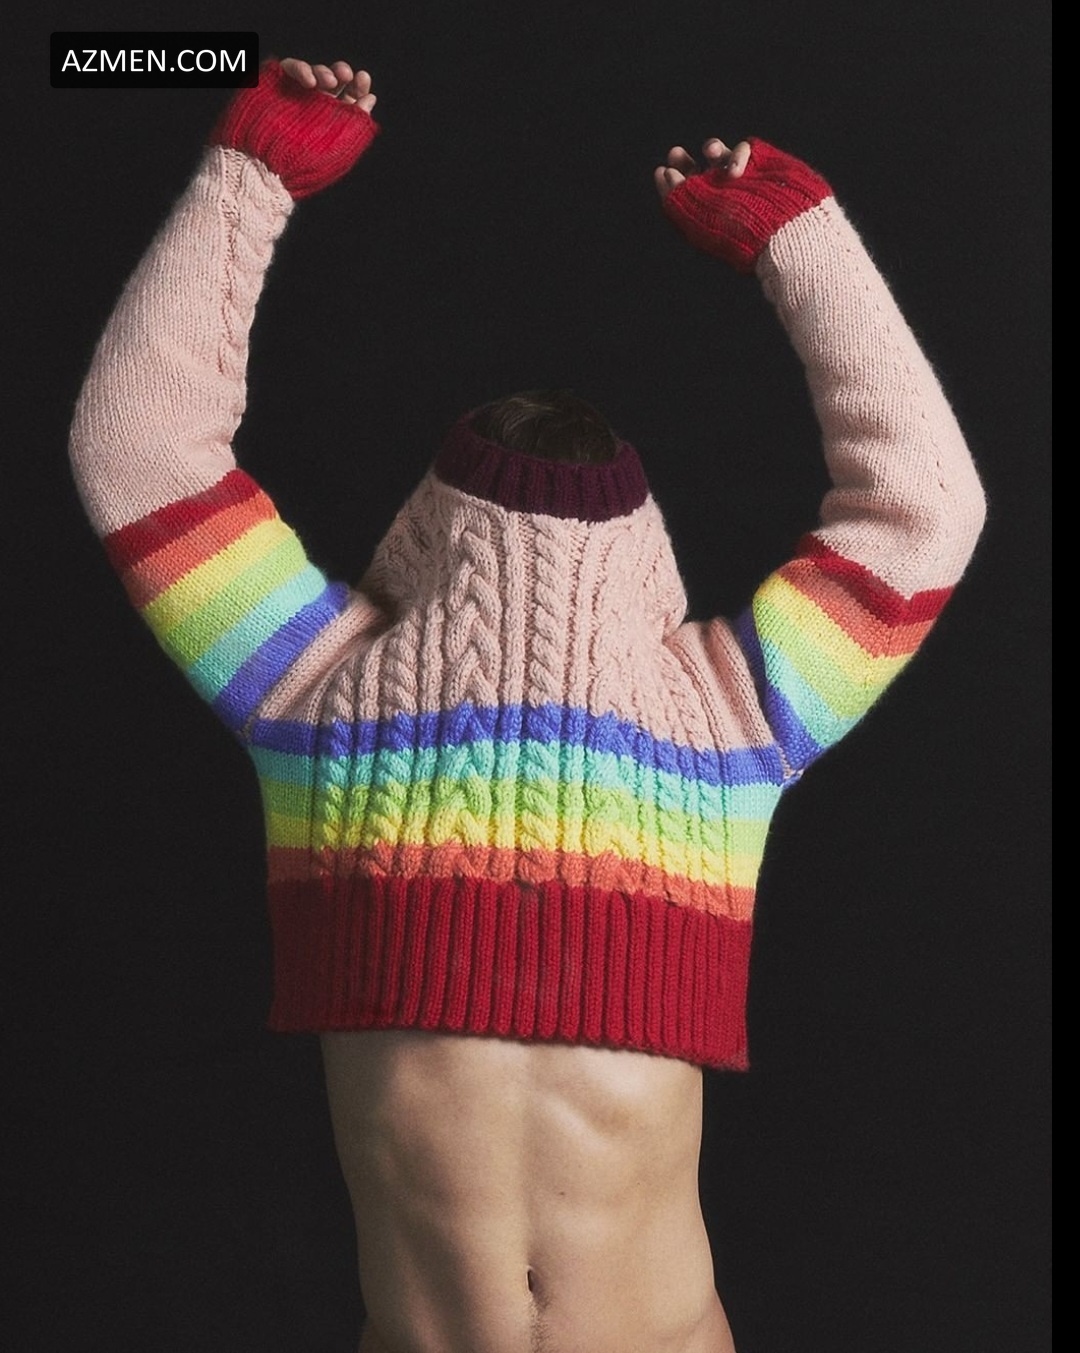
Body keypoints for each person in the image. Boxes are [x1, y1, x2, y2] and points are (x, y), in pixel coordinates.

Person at [69, 53, 986, 1353]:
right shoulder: (720, 722)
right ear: (639, 553)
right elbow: (927, 510)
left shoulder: (316, 695)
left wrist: (252, 174)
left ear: (426, 533)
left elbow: (138, 449)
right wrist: (801, 239)